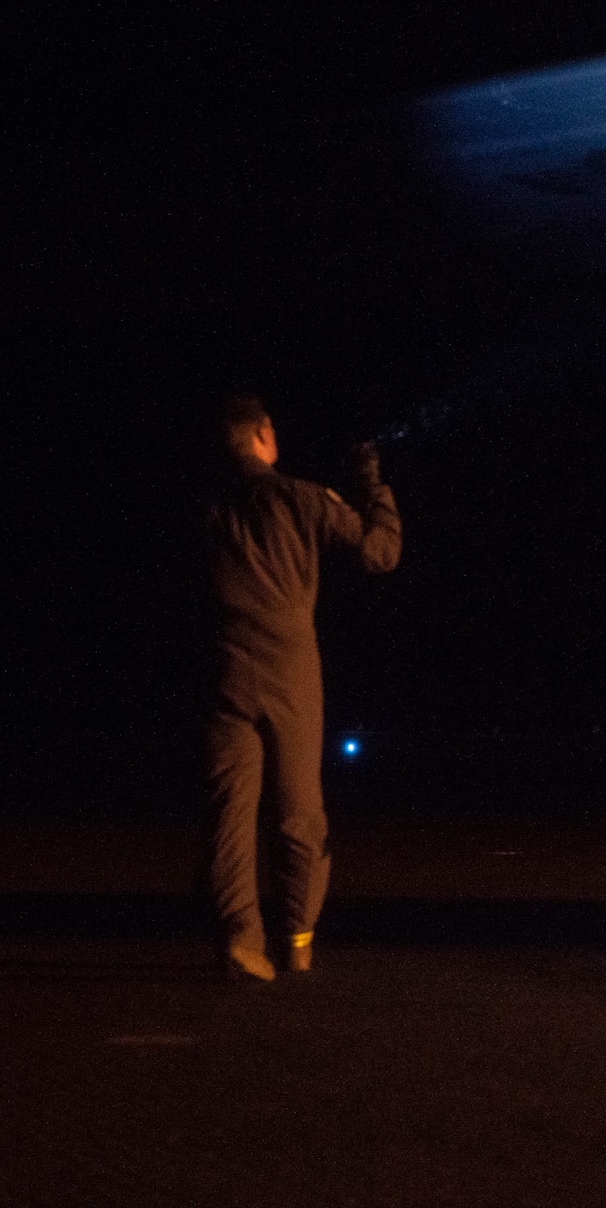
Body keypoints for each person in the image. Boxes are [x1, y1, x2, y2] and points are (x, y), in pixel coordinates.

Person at [205, 393, 401, 979]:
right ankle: (297, 935)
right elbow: (380, 552)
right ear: (263, 433)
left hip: (223, 672)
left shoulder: (206, 506)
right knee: (298, 812)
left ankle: (241, 936)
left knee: (229, 814)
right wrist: (372, 484)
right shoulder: (300, 497)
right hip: (290, 673)